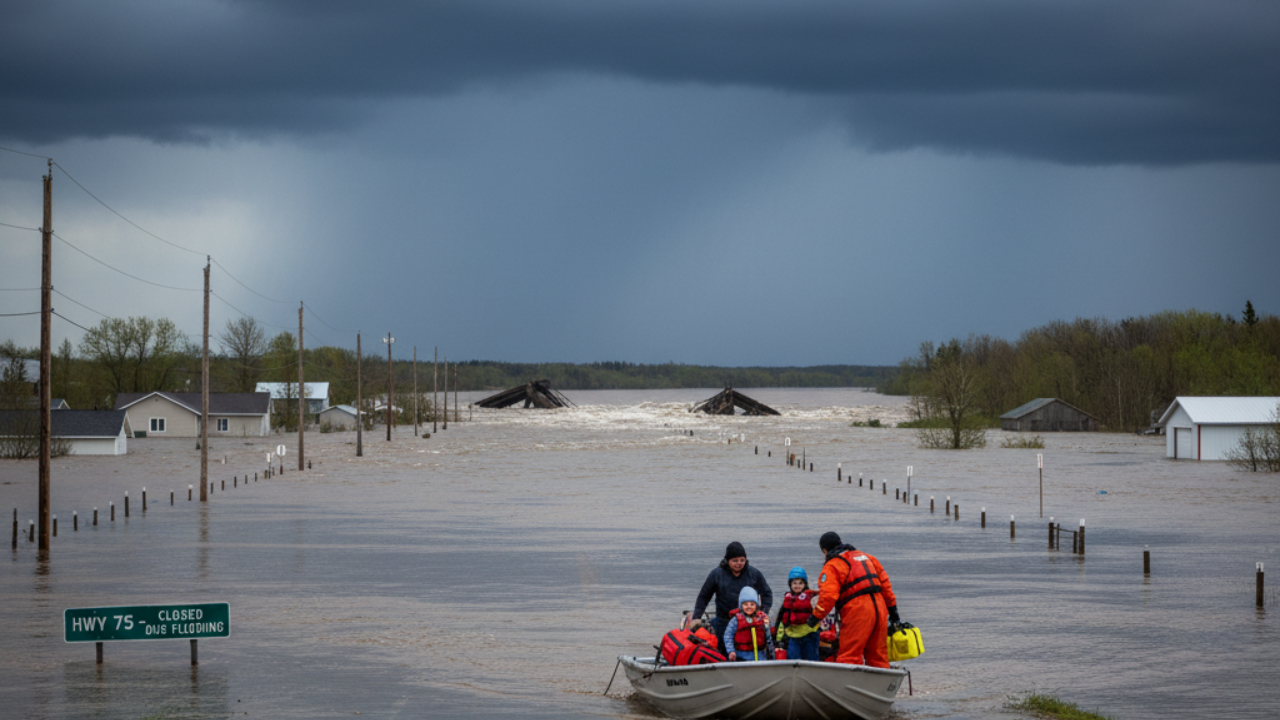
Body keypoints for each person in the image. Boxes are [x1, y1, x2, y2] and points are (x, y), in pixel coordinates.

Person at [810, 531, 899, 669]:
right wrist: (893, 613)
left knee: (849, 656)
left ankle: (847, 687)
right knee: (878, 656)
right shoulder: (868, 558)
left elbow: (828, 596)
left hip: (857, 610)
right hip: (880, 608)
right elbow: (886, 587)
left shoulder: (833, 565)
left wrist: (815, 617)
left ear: (824, 550)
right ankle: (878, 686)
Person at [692, 541, 773, 653]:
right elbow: (704, 597)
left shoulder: (754, 574)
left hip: (748, 621)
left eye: (742, 560)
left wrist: (764, 613)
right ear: (727, 560)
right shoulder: (716, 574)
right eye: (735, 561)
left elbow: (767, 594)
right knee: (723, 651)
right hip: (723, 621)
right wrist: (696, 617)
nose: (739, 563)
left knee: (746, 651)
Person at [775, 566, 820, 662]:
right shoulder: (787, 599)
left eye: (800, 583)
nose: (797, 586)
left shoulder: (812, 598)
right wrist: (778, 639)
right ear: (790, 584)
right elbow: (781, 620)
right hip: (793, 635)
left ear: (805, 584)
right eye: (794, 583)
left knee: (811, 659)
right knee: (793, 659)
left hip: (810, 634)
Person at [724, 587, 774, 661]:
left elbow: (768, 638)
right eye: (746, 604)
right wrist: (731, 651)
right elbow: (728, 635)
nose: (749, 607)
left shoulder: (762, 618)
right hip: (741, 656)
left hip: (760, 656)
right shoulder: (735, 620)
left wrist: (772, 655)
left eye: (752, 604)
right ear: (741, 605)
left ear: (756, 605)